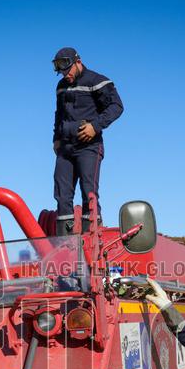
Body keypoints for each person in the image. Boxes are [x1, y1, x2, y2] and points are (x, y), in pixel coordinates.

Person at [51, 47, 123, 235]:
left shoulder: (97, 81)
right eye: (61, 71)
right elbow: (59, 114)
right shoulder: (60, 87)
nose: (65, 75)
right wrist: (56, 139)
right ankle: (65, 243)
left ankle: (90, 240)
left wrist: (95, 126)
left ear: (78, 62)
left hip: (89, 147)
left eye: (68, 70)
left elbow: (117, 106)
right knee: (62, 193)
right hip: (65, 148)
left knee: (88, 192)